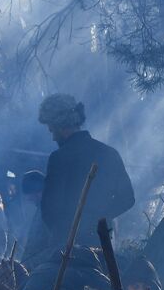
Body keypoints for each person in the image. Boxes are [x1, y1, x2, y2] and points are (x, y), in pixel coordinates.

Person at [37, 94, 134, 243]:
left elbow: (49, 209)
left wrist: (64, 232)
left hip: (66, 247)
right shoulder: (109, 153)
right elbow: (127, 199)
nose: (53, 138)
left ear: (60, 126)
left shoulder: (59, 158)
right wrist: (100, 219)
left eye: (52, 130)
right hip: (101, 244)